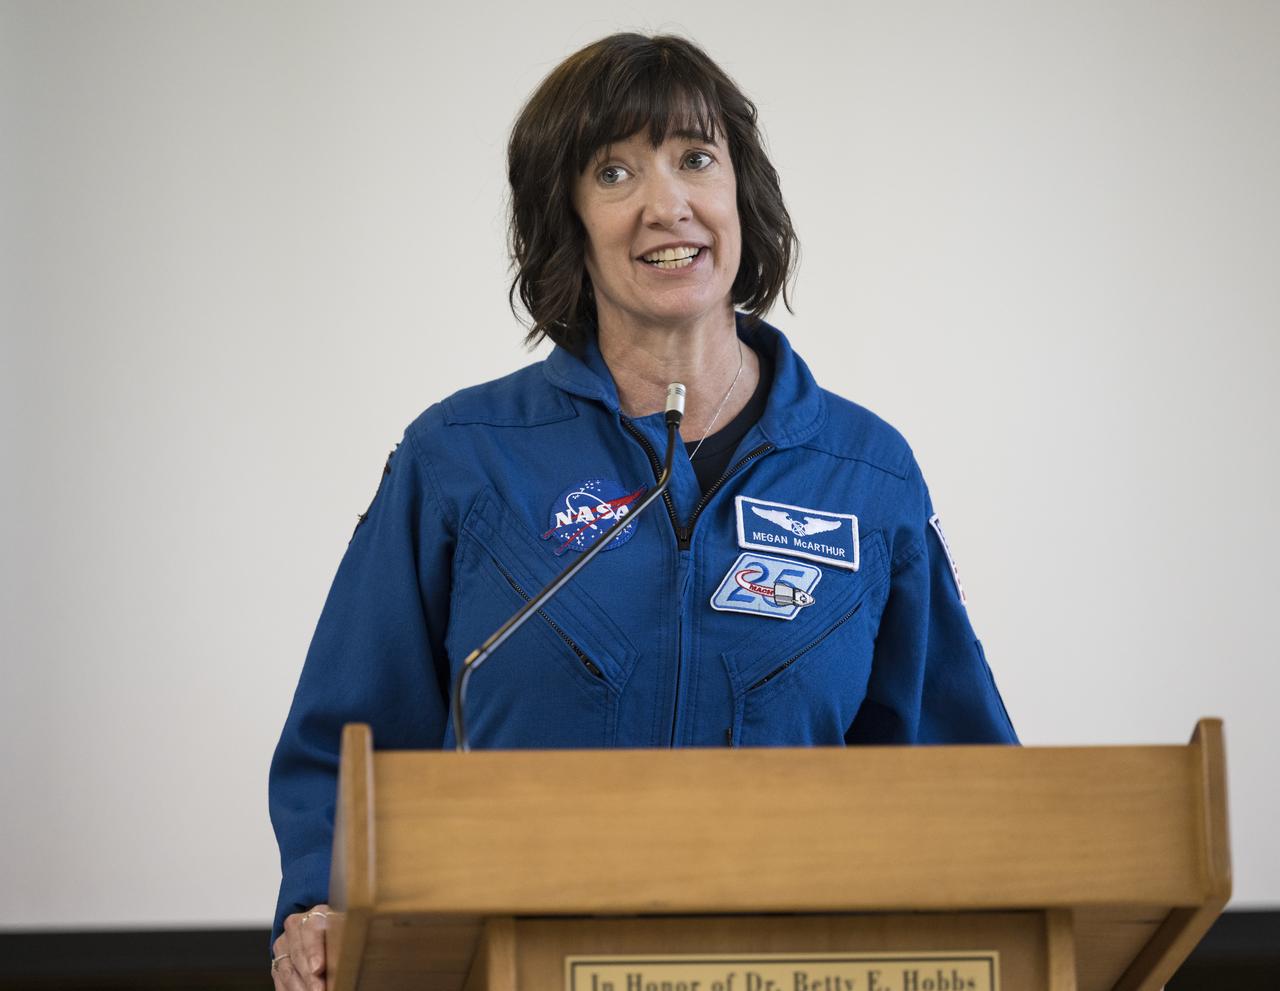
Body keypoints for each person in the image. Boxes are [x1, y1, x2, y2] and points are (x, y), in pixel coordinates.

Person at [267, 32, 1017, 989]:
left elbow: (958, 774)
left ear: (743, 196)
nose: (668, 204)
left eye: (696, 159)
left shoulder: (865, 475)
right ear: (568, 220)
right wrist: (321, 903)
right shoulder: (461, 458)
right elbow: (348, 744)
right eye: (615, 172)